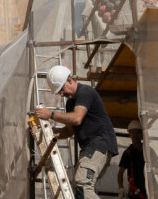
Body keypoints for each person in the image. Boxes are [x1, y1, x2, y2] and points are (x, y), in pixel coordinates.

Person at [34, 65, 118, 199]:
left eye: (61, 89)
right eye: (58, 92)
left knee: (82, 184)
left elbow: (77, 118)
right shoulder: (70, 104)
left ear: (69, 80)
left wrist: (50, 114)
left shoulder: (85, 92)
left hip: (99, 144)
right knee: (78, 190)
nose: (61, 94)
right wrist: (46, 131)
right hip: (90, 148)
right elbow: (68, 132)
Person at [117, 120, 147, 199]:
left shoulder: (148, 150)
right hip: (136, 192)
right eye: (132, 132)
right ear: (129, 134)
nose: (135, 135)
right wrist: (121, 188)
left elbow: (157, 167)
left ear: (141, 134)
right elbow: (120, 173)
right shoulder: (128, 153)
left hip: (149, 188)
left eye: (137, 132)